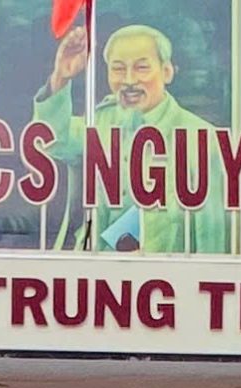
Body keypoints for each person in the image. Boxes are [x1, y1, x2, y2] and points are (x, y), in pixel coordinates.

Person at [31, 21, 226, 254]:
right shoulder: (101, 120)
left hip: (162, 271)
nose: (129, 80)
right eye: (118, 69)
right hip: (99, 266)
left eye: (142, 68)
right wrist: (61, 77)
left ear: (167, 72)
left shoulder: (202, 138)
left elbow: (211, 234)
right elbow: (53, 140)